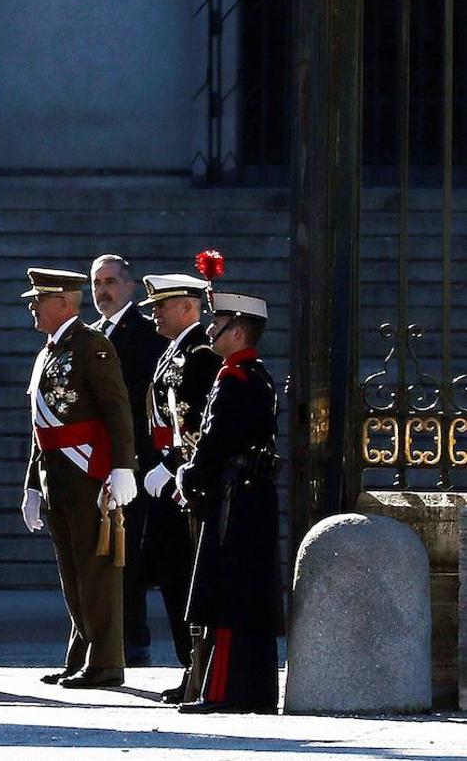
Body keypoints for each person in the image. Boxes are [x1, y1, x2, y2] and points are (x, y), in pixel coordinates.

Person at [19, 268, 137, 689]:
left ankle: (105, 661)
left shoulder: (92, 346)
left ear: (65, 303)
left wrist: (124, 466)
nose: (32, 306)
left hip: (87, 474)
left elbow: (116, 408)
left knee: (95, 572)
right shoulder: (48, 351)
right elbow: (42, 425)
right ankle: (81, 653)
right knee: (72, 571)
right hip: (57, 475)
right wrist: (32, 484)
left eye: (39, 299)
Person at [176, 291, 282, 715]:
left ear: (236, 331)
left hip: (233, 495)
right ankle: (254, 689)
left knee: (228, 593)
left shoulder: (232, 377)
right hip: (254, 493)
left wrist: (189, 476)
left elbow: (215, 439)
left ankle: (223, 691)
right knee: (250, 593)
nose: (209, 329)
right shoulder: (259, 374)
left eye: (217, 324)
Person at [138, 272, 222, 703]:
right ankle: (189, 664)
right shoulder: (173, 350)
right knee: (171, 576)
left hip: (185, 485)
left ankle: (199, 667)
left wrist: (171, 468)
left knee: (184, 575)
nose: (154, 313)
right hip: (167, 480)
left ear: (189, 306)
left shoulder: (202, 354)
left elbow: (197, 427)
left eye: (162, 306)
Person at [89, 255, 166, 668]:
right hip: (97, 461)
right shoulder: (94, 334)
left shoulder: (144, 334)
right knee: (103, 553)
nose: (103, 291)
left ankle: (133, 642)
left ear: (131, 286)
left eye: (111, 282)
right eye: (97, 283)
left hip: (132, 460)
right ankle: (107, 641)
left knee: (127, 553)